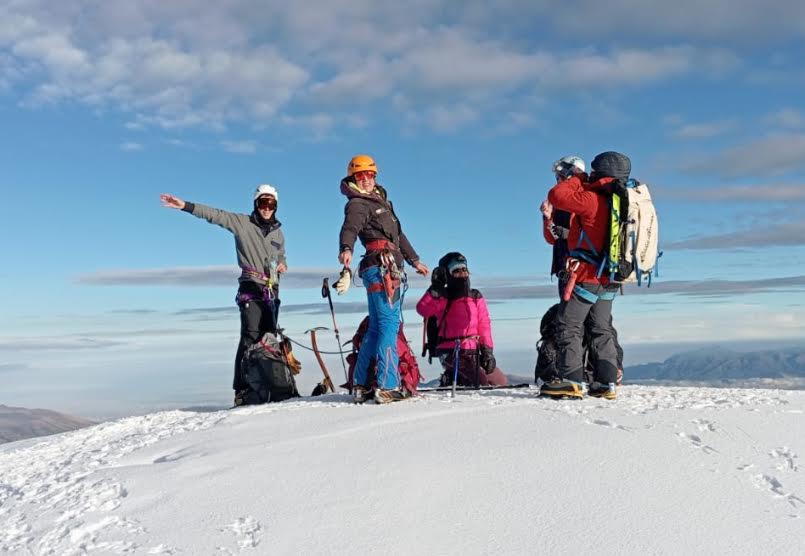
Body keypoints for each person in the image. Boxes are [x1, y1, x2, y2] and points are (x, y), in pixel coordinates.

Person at [160, 185, 287, 403]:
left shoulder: (278, 232)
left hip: (271, 288)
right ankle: (243, 389)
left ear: (275, 206)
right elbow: (215, 215)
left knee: (269, 336)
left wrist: (283, 264)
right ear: (256, 204)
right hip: (250, 285)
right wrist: (185, 206)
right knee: (250, 335)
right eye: (263, 203)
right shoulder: (241, 223)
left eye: (271, 204)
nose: (267, 208)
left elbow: (281, 255)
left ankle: (266, 384)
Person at [337, 154, 429, 404]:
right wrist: (346, 248)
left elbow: (399, 235)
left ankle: (361, 385)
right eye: (360, 175)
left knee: (378, 327)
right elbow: (350, 228)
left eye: (369, 175)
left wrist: (414, 260)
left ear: (375, 176)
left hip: (384, 265)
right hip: (381, 268)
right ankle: (388, 385)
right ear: (353, 178)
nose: (366, 179)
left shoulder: (380, 201)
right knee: (388, 325)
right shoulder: (358, 203)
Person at [539, 151, 631, 400]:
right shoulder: (620, 200)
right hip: (611, 277)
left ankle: (571, 381)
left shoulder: (591, 199)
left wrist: (577, 178)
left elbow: (556, 195)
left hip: (588, 276)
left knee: (569, 326)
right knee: (601, 328)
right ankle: (606, 383)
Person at [416, 252, 508, 387]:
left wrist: (487, 352)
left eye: (464, 269)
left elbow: (484, 325)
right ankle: (450, 379)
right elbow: (422, 309)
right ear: (448, 274)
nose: (462, 273)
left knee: (500, 381)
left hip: (473, 350)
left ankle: (454, 378)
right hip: (450, 351)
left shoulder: (476, 296)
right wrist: (435, 289)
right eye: (456, 270)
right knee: (480, 383)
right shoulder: (442, 296)